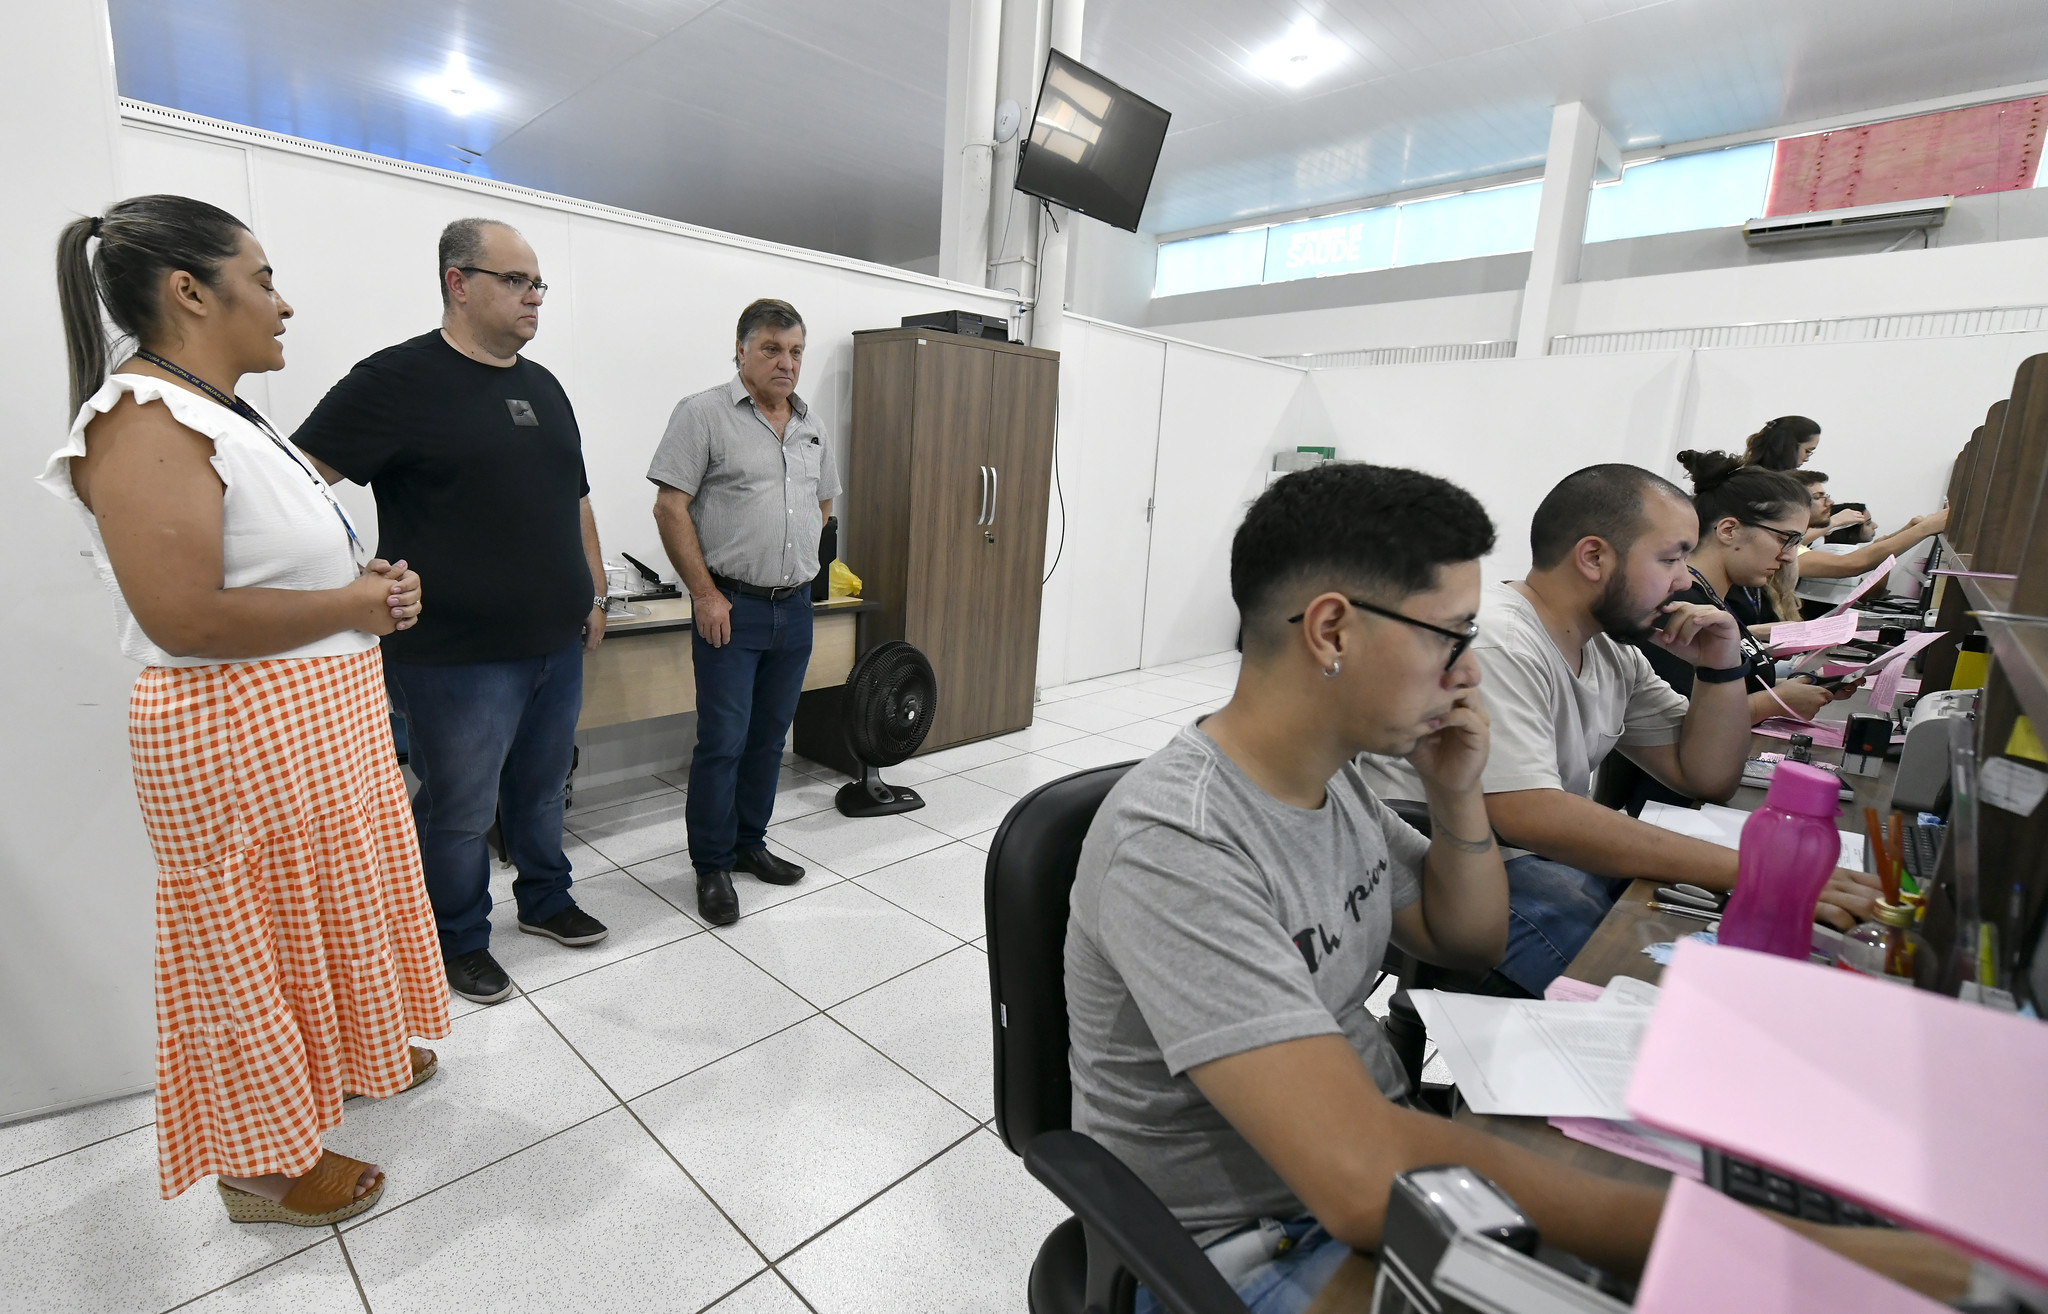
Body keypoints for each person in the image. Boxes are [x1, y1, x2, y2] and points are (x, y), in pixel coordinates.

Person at [1065, 465, 1960, 1313]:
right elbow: (1355, 1179)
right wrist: (1784, 1245)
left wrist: (1458, 794)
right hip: (1245, 1244)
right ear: (1332, 632)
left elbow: (1467, 941)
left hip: (1366, 1168)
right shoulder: (1182, 840)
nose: (1468, 671)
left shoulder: (1330, 782)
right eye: (1451, 638)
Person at [42, 195, 446, 1223]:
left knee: (314, 911)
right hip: (234, 736)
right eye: (262, 279)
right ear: (189, 290)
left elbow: (272, 572)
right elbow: (181, 615)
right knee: (245, 942)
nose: (283, 304)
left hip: (305, 725)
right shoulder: (141, 418)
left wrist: (364, 590)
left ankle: (340, 1060)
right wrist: (355, 601)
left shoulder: (221, 412)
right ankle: (261, 1165)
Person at [1360, 465, 1880, 995]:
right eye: (1671, 558)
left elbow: (1705, 775)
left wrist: (1720, 666)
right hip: (1444, 871)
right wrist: (1758, 871)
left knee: (1686, 936)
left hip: (1528, 862)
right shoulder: (1500, 639)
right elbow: (1529, 814)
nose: (1684, 579)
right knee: (1637, 986)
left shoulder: (1610, 649)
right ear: (1593, 557)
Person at [293, 218, 611, 1006]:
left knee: (541, 790)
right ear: (458, 282)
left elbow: (576, 499)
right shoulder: (395, 380)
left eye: (539, 283)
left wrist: (595, 591)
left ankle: (544, 900)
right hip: (453, 657)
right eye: (517, 280)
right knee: (460, 807)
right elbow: (297, 485)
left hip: (554, 642)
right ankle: (458, 937)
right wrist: (348, 577)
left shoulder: (543, 386)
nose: (535, 296)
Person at [648, 299, 839, 925]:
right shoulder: (703, 414)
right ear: (741, 351)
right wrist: (706, 593)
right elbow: (670, 508)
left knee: (768, 738)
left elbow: (823, 506)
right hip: (733, 608)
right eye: (772, 350)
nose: (786, 363)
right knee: (723, 741)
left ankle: (749, 843)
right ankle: (710, 864)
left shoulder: (810, 424)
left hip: (796, 609)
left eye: (796, 352)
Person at [1742, 414, 1823, 470]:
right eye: (1808, 451)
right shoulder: (1787, 487)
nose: (1807, 459)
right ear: (1789, 446)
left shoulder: (1740, 478)